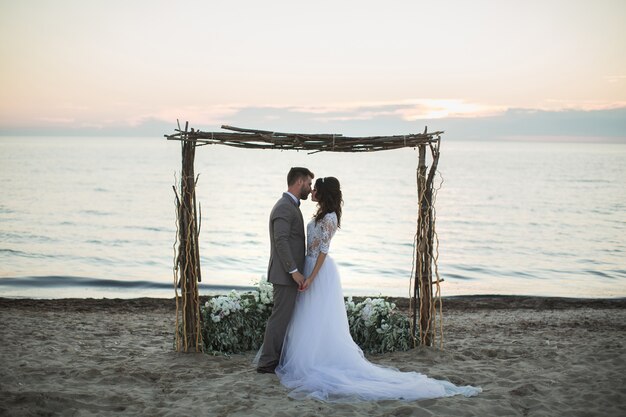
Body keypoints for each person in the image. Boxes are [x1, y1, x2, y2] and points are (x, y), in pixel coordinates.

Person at [274, 176, 482, 401]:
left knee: (316, 315)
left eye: (316, 189)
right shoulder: (319, 215)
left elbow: (324, 250)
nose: (312, 191)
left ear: (323, 193)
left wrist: (312, 278)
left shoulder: (330, 218)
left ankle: (315, 358)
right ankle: (305, 355)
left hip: (319, 271)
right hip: (308, 265)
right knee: (307, 315)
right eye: (311, 187)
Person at [256, 167, 314, 374]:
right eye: (308, 183)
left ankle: (275, 359)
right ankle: (267, 363)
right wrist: (294, 271)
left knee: (283, 318)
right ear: (299, 182)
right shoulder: (283, 207)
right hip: (285, 275)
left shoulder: (291, 206)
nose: (310, 188)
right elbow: (281, 241)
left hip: (288, 275)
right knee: (279, 319)